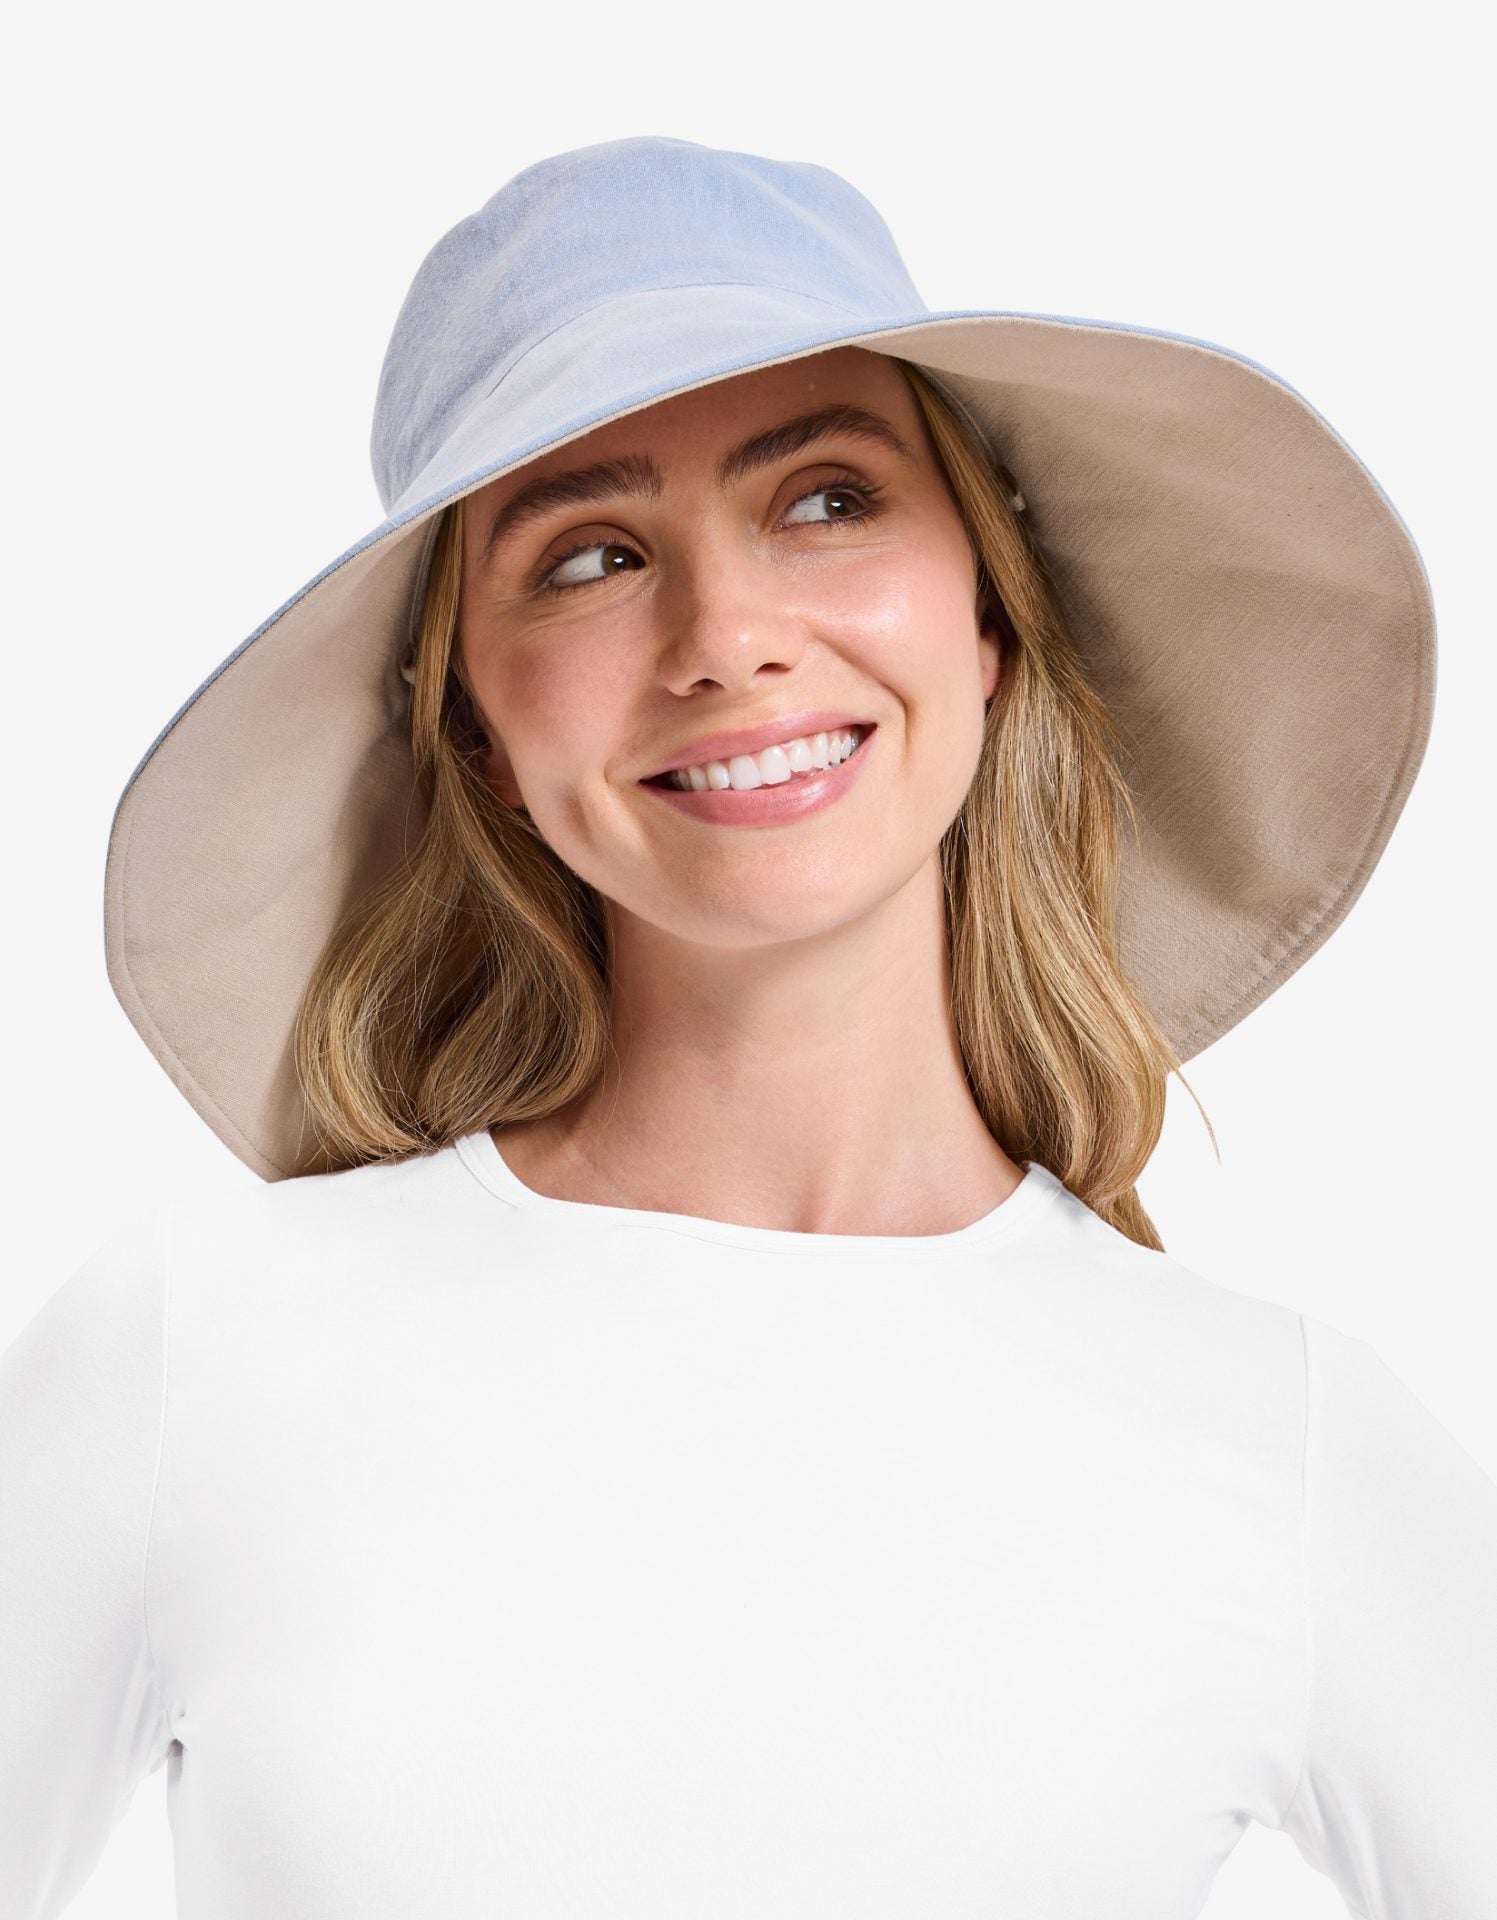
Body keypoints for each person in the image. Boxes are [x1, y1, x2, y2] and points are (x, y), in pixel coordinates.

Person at [2, 134, 1493, 1919]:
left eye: (827, 500)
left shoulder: (1280, 1434)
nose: (726, 637)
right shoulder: (192, 1357)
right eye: (589, 556)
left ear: (987, 615)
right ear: (476, 727)